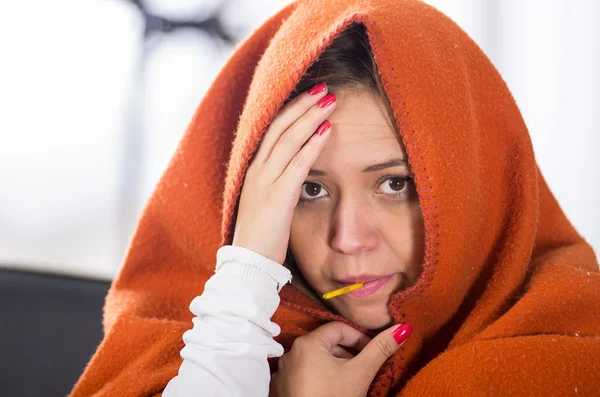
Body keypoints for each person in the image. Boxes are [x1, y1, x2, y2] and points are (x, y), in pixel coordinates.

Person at [70, 1, 600, 396]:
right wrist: (243, 287)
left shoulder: (572, 353)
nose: (348, 239)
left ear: (478, 180)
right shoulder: (187, 337)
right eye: (309, 189)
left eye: (396, 184)